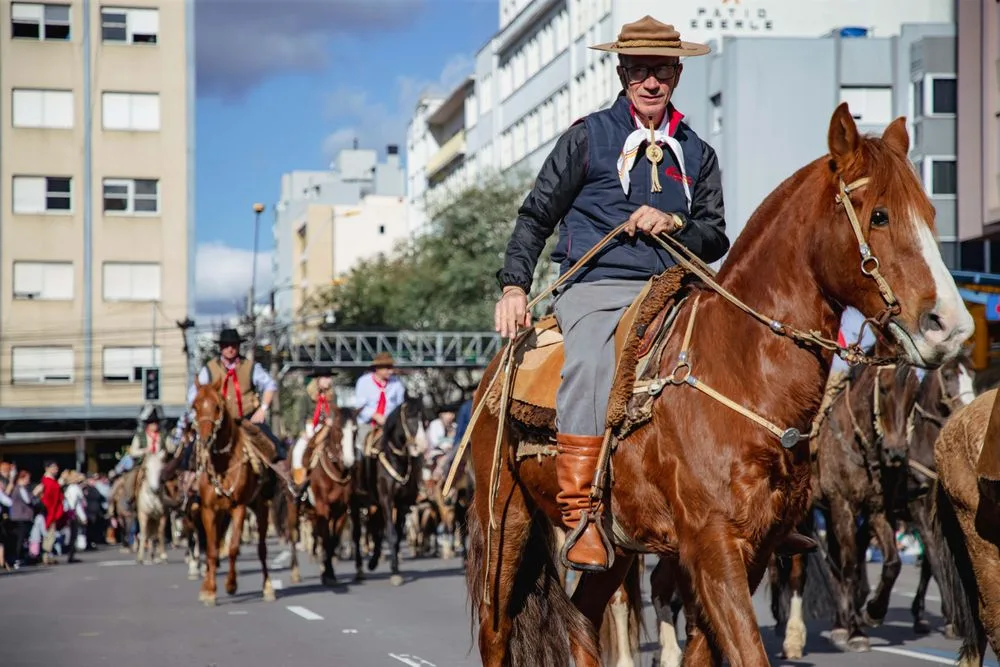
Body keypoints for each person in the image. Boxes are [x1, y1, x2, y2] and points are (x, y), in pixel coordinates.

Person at [494, 15, 814, 570]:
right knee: (591, 364)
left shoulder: (697, 151)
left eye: (660, 70)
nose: (650, 81)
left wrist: (673, 222)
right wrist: (514, 285)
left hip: (676, 285)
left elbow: (715, 234)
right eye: (639, 69)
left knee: (759, 352)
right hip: (596, 285)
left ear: (677, 74)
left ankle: (766, 505)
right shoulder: (586, 137)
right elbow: (536, 215)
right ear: (622, 72)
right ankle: (582, 514)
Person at [180, 328, 286, 461]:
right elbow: (194, 393)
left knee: (272, 445)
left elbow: (270, 385)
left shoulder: (250, 367)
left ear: (238, 347)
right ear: (220, 347)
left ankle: (283, 476)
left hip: (247, 418)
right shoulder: (210, 369)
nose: (230, 349)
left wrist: (262, 409)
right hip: (219, 421)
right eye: (226, 345)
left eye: (233, 345)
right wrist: (199, 414)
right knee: (191, 451)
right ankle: (186, 474)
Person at [291, 368, 337, 488]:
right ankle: (298, 482)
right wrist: (302, 431)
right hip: (310, 427)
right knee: (297, 451)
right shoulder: (306, 396)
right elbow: (300, 416)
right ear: (318, 379)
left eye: (329, 377)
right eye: (325, 377)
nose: (329, 380)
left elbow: (335, 412)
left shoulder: (333, 396)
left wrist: (331, 420)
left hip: (327, 428)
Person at [354, 352, 406, 458]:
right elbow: (359, 407)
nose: (390, 371)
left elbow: (400, 405)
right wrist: (375, 415)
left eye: (391, 367)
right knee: (360, 450)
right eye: (387, 368)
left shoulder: (397, 384)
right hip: (368, 423)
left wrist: (390, 418)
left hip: (389, 425)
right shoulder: (364, 382)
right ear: (377, 368)